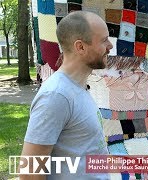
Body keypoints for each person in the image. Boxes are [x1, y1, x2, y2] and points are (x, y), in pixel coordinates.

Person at [20, 11, 113, 180]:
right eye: (104, 40)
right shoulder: (56, 95)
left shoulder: (78, 87)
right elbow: (30, 173)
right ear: (81, 47)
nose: (110, 46)